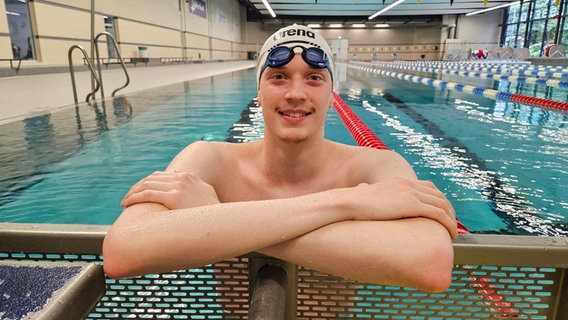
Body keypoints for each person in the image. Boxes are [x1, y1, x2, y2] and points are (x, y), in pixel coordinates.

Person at [103, 24, 457, 293]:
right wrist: (351, 201)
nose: (296, 93)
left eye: (314, 78)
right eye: (278, 77)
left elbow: (431, 265)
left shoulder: (375, 166)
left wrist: (216, 216)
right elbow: (123, 250)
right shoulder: (209, 158)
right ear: (258, 92)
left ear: (333, 95)